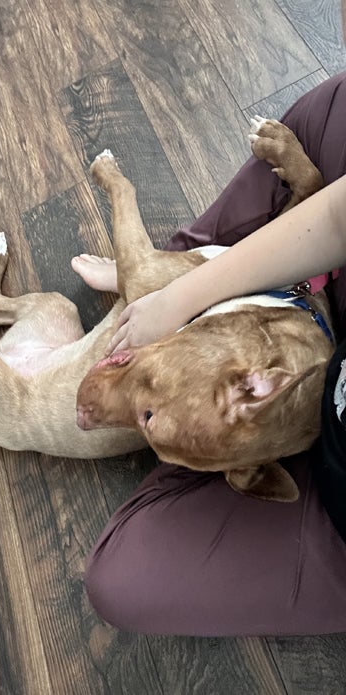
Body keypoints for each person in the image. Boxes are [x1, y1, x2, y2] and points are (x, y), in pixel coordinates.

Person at [72, 72, 346, 635]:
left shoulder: (246, 405)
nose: (84, 420)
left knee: (121, 581)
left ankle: (150, 274)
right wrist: (179, 296)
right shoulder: (252, 385)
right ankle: (157, 273)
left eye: (148, 417)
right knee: (329, 111)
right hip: (296, 353)